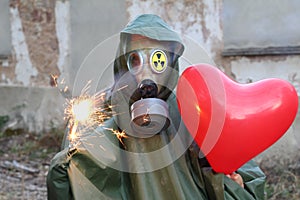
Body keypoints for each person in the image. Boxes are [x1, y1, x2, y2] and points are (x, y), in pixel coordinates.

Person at [47, 14, 266, 200]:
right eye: (136, 60)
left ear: (170, 62)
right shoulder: (109, 105)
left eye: (157, 60)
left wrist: (232, 180)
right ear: (125, 61)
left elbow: (238, 167)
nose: (146, 72)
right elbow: (74, 163)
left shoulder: (192, 105)